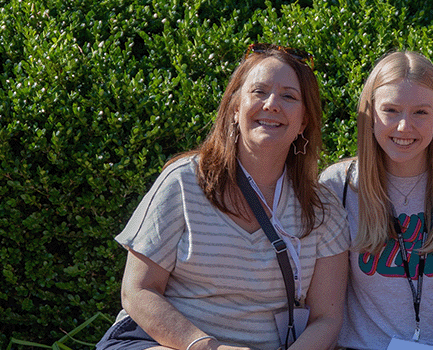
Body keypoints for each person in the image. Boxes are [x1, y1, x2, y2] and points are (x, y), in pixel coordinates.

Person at [96, 44, 349, 350]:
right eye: (259, 91)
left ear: (303, 122)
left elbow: (326, 319)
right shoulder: (184, 182)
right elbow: (138, 290)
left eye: (289, 96)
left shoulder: (322, 209)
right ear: (234, 108)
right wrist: (205, 346)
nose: (271, 104)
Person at [320, 51, 433, 349]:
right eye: (390, 110)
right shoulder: (338, 185)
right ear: (369, 114)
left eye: (420, 112)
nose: (405, 126)